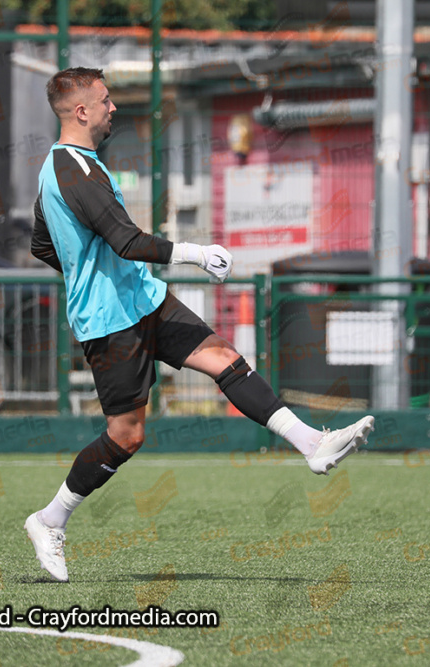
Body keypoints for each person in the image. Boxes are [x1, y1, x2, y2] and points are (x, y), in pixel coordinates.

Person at [25, 67, 375, 582]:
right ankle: (49, 519)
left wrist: (87, 268)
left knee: (224, 358)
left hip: (144, 298)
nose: (112, 107)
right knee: (126, 437)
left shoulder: (75, 166)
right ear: (81, 112)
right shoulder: (71, 169)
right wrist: (194, 252)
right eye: (104, 100)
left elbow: (42, 243)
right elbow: (125, 240)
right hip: (109, 321)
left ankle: (310, 444)